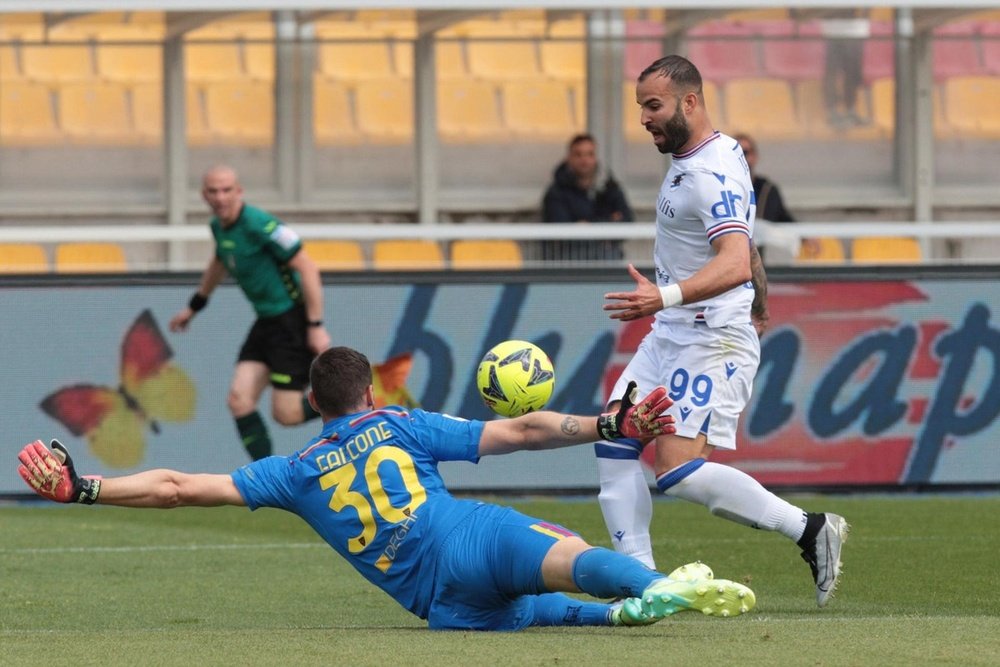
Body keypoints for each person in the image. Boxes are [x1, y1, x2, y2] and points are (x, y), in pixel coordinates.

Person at [16, 346, 757, 632]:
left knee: (531, 609)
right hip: (462, 537)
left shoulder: (294, 472)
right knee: (564, 550)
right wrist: (607, 420)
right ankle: (657, 582)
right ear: (369, 392)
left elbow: (176, 486)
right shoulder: (399, 424)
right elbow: (522, 433)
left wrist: (84, 485)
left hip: (436, 604)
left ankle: (621, 617)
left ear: (315, 406)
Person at [595, 55, 848, 608]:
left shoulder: (706, 174)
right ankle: (642, 583)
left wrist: (666, 295)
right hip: (674, 331)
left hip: (709, 336)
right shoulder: (717, 149)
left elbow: (733, 258)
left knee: (677, 471)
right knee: (614, 437)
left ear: (690, 102)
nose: (643, 118)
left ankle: (810, 529)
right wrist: (760, 296)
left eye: (653, 106)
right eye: (640, 107)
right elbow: (745, 247)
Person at [169, 165, 331, 461]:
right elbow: (220, 262)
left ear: (239, 191)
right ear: (204, 195)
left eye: (227, 190)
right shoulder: (219, 227)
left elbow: (308, 268)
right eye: (213, 191)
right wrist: (194, 307)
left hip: (291, 321)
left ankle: (350, 403)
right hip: (266, 323)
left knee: (287, 414)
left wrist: (315, 325)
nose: (220, 197)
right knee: (238, 400)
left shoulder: (261, 225)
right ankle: (265, 477)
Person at [541, 133, 634, 262]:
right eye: (578, 155)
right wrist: (608, 224)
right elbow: (562, 234)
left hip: (609, 263)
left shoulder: (610, 187)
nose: (584, 160)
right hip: (570, 265)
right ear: (569, 158)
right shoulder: (556, 193)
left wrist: (586, 226)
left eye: (590, 154)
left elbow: (627, 223)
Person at [733, 133, 819, 259]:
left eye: (745, 152)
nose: (741, 158)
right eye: (736, 153)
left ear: (755, 156)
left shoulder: (768, 190)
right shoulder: (722, 188)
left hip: (763, 259)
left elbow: (783, 217)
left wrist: (804, 236)